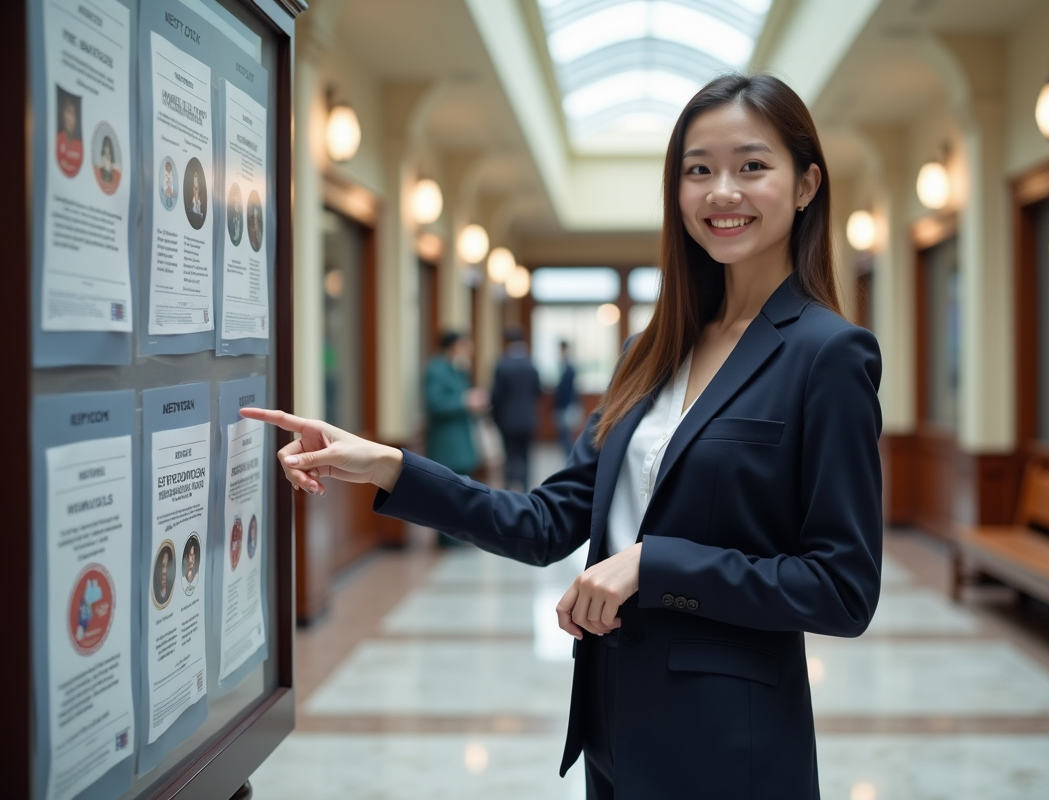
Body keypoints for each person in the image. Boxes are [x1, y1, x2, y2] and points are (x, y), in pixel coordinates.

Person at [244, 73, 882, 799]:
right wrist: (388, 465)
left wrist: (656, 564)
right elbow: (545, 522)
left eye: (752, 166)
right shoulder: (649, 352)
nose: (722, 192)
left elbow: (842, 589)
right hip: (612, 728)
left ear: (805, 186)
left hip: (731, 748)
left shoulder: (828, 354)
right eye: (698, 170)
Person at [423, 331, 489, 547]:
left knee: (461, 489)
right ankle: (448, 539)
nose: (469, 349)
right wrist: (465, 401)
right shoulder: (436, 369)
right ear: (454, 346)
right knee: (446, 490)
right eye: (465, 344)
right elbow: (435, 403)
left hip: (461, 439)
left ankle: (459, 536)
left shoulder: (457, 368)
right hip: (446, 443)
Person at [490, 327, 542, 492]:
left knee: (509, 456)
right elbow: (538, 391)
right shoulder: (531, 365)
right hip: (528, 418)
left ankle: (508, 489)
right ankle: (526, 489)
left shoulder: (503, 365)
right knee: (526, 456)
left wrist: (494, 417)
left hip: (507, 419)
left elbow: (496, 396)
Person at [552, 339, 580, 455]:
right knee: (564, 434)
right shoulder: (563, 365)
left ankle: (570, 456)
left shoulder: (568, 367)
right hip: (564, 404)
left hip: (566, 405)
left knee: (566, 434)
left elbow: (566, 388)